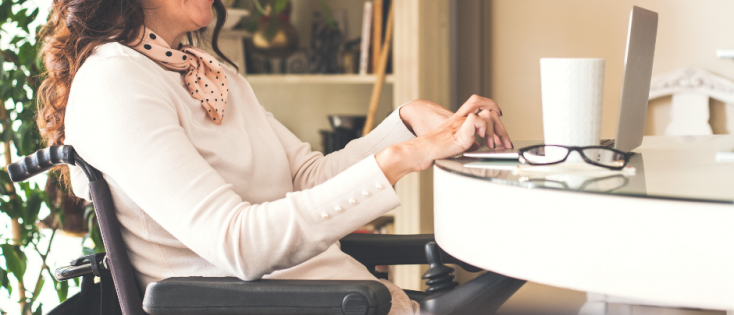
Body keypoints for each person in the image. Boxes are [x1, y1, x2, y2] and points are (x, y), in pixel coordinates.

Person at [37, 0, 512, 314]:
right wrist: (403, 158)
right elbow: (237, 242)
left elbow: (304, 177)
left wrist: (406, 125)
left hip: (350, 299)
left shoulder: (209, 71)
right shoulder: (115, 84)